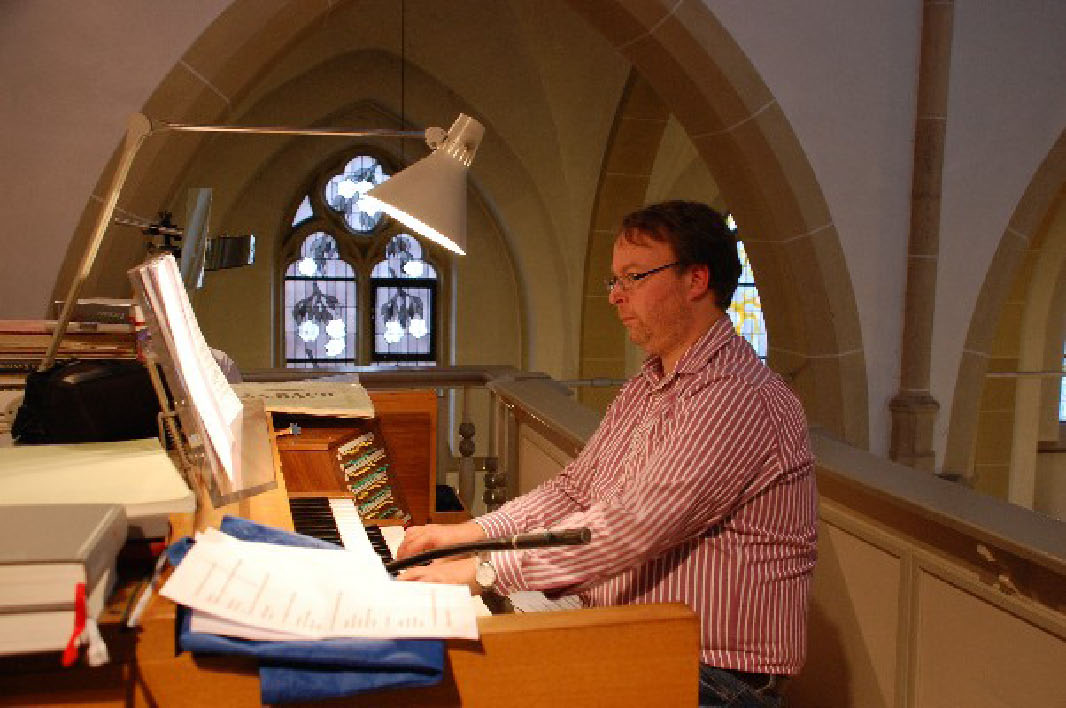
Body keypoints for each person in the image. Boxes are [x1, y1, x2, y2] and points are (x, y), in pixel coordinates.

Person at [397, 201, 817, 707]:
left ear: (696, 279)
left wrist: (484, 572)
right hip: (635, 638)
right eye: (615, 280)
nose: (616, 295)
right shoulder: (651, 381)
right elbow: (574, 491)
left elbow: (630, 528)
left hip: (711, 677)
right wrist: (470, 533)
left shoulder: (736, 396)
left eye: (634, 277)